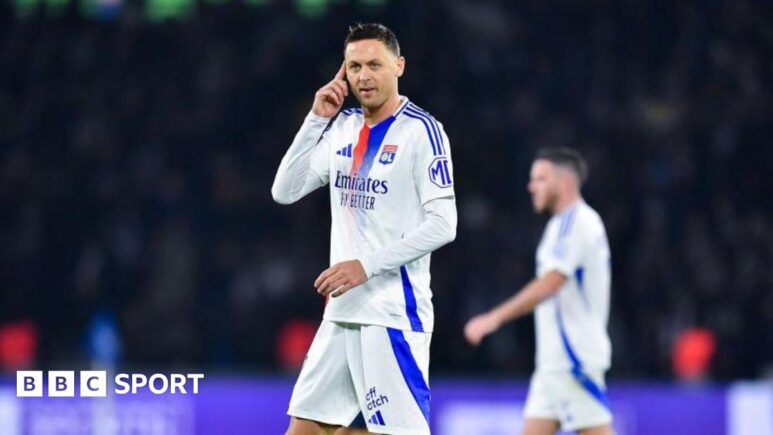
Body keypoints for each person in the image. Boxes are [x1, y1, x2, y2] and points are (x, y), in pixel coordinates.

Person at [272, 22, 457, 435]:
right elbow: (285, 190)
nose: (363, 76)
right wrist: (315, 119)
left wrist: (365, 266)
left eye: (374, 64)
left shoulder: (422, 132)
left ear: (399, 66)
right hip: (341, 312)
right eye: (354, 66)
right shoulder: (343, 127)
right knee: (304, 429)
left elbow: (444, 225)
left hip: (391, 314)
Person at [464, 148, 613, 435]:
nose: (531, 186)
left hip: (573, 359)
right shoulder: (559, 225)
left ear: (565, 183)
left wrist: (495, 318)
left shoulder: (577, 222)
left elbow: (551, 283)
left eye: (540, 179)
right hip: (553, 363)